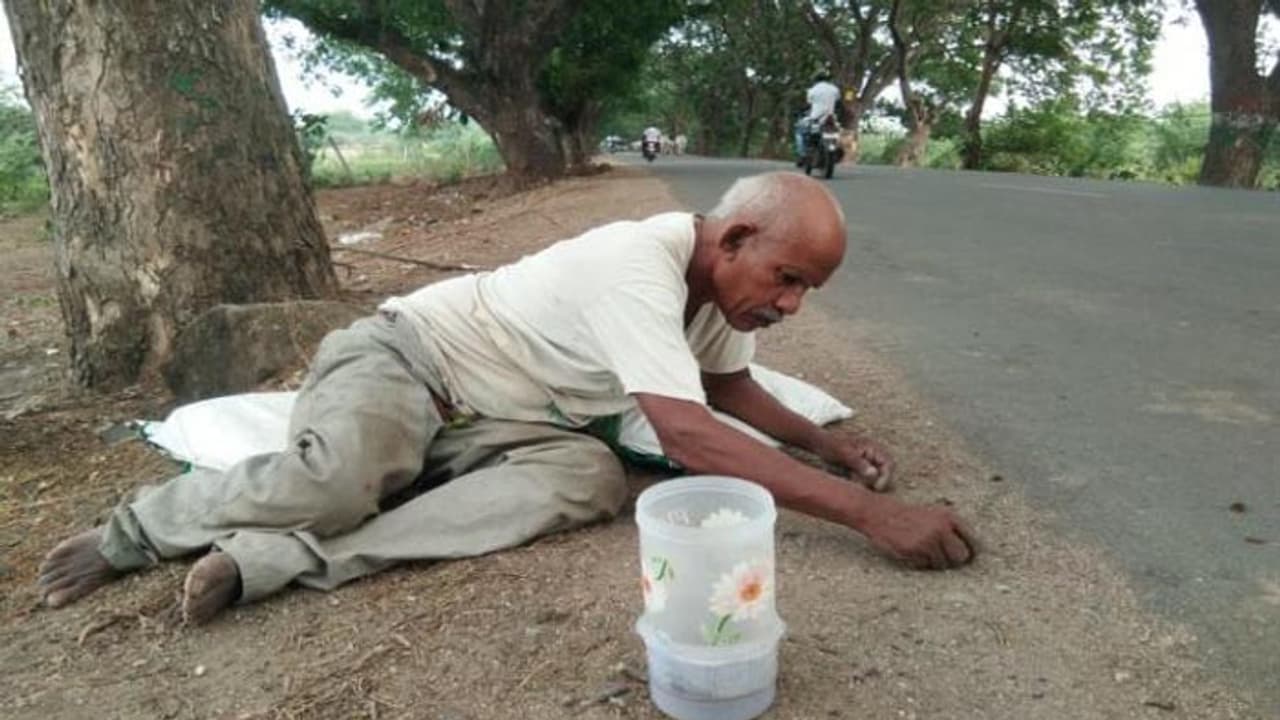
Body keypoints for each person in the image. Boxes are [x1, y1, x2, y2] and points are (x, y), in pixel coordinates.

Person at [37, 173, 977, 625]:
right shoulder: (637, 263)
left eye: (808, 289)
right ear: (731, 239)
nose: (791, 304)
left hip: (499, 421)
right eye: (788, 278)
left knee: (590, 478)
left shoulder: (722, 295)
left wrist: (826, 443)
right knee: (341, 478)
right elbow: (691, 434)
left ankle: (282, 559)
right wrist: (870, 513)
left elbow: (726, 386)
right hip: (407, 361)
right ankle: (137, 531)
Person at [795, 71, 842, 163]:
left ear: (816, 80)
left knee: (800, 132)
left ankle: (803, 155)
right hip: (830, 118)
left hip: (816, 118)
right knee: (836, 133)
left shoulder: (812, 90)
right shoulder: (835, 89)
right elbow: (838, 101)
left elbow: (809, 103)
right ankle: (832, 150)